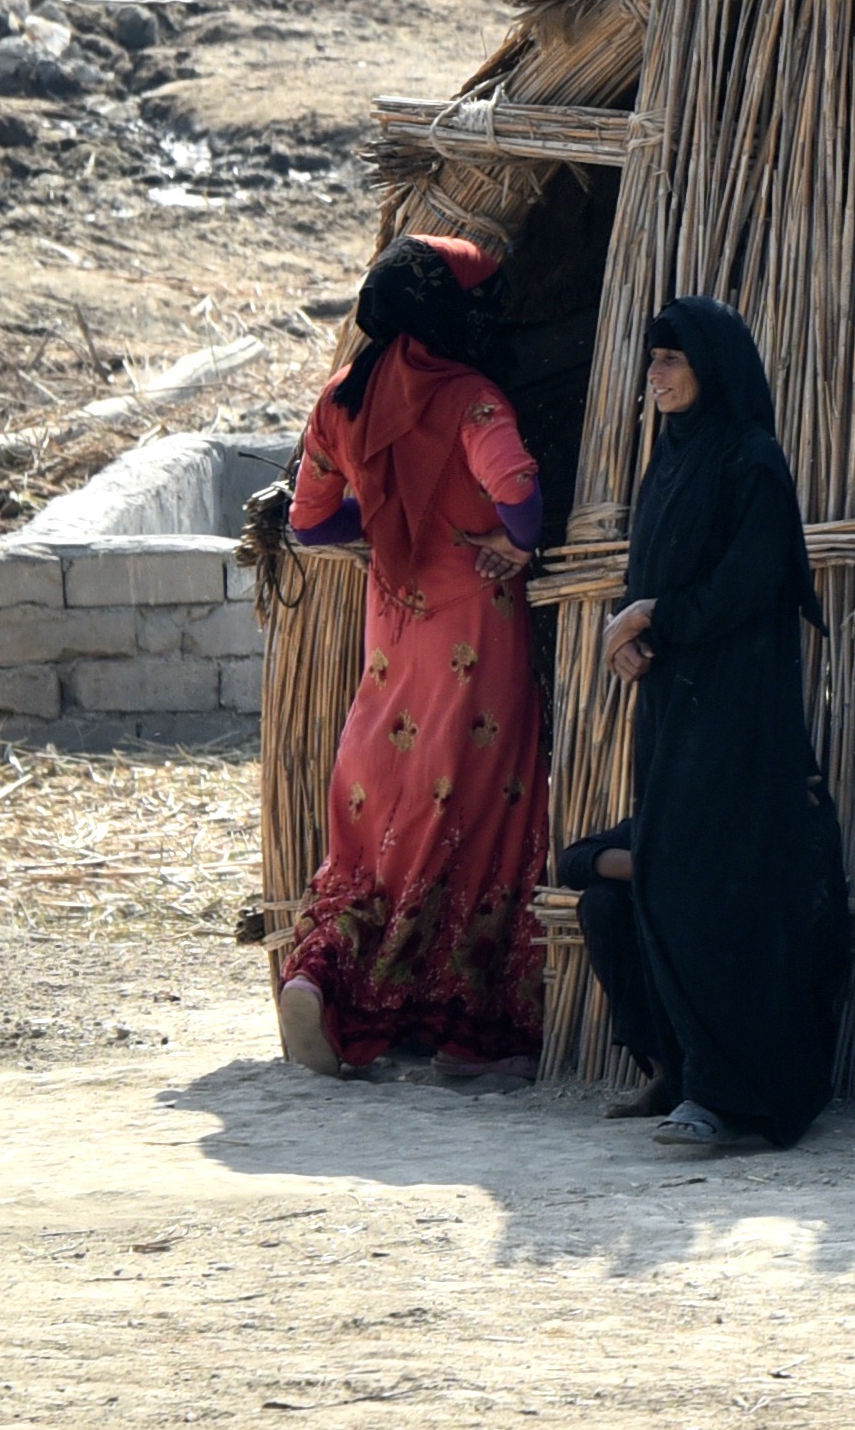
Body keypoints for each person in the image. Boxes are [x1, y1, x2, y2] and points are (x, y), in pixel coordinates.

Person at [553, 298, 850, 1153]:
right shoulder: (669, 463)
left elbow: (753, 581)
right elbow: (654, 575)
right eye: (651, 361)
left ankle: (727, 1092)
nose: (655, 376)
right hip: (673, 708)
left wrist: (661, 616)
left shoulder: (751, 461)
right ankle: (684, 1069)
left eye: (672, 361)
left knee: (722, 891)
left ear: (711, 366)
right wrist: (632, 636)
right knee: (668, 883)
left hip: (739, 715)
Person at [276, 235, 549, 1084]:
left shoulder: (340, 401)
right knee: (479, 808)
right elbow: (524, 499)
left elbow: (307, 521)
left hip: (392, 639)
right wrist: (512, 542)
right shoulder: (472, 400)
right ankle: (464, 1019)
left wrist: (377, 530)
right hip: (479, 638)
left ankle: (323, 977)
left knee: (384, 807)